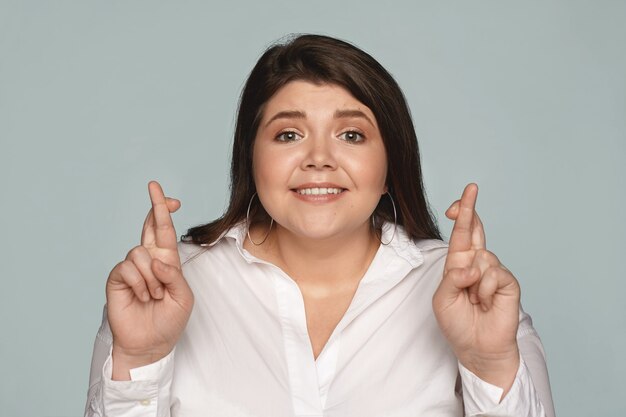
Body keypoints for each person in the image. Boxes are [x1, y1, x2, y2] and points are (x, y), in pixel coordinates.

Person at [85, 34, 555, 417]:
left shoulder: (468, 293)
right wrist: (140, 362)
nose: (319, 159)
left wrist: (488, 364)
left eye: (352, 134)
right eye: (288, 134)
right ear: (252, 159)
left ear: (391, 164)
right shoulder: (164, 288)